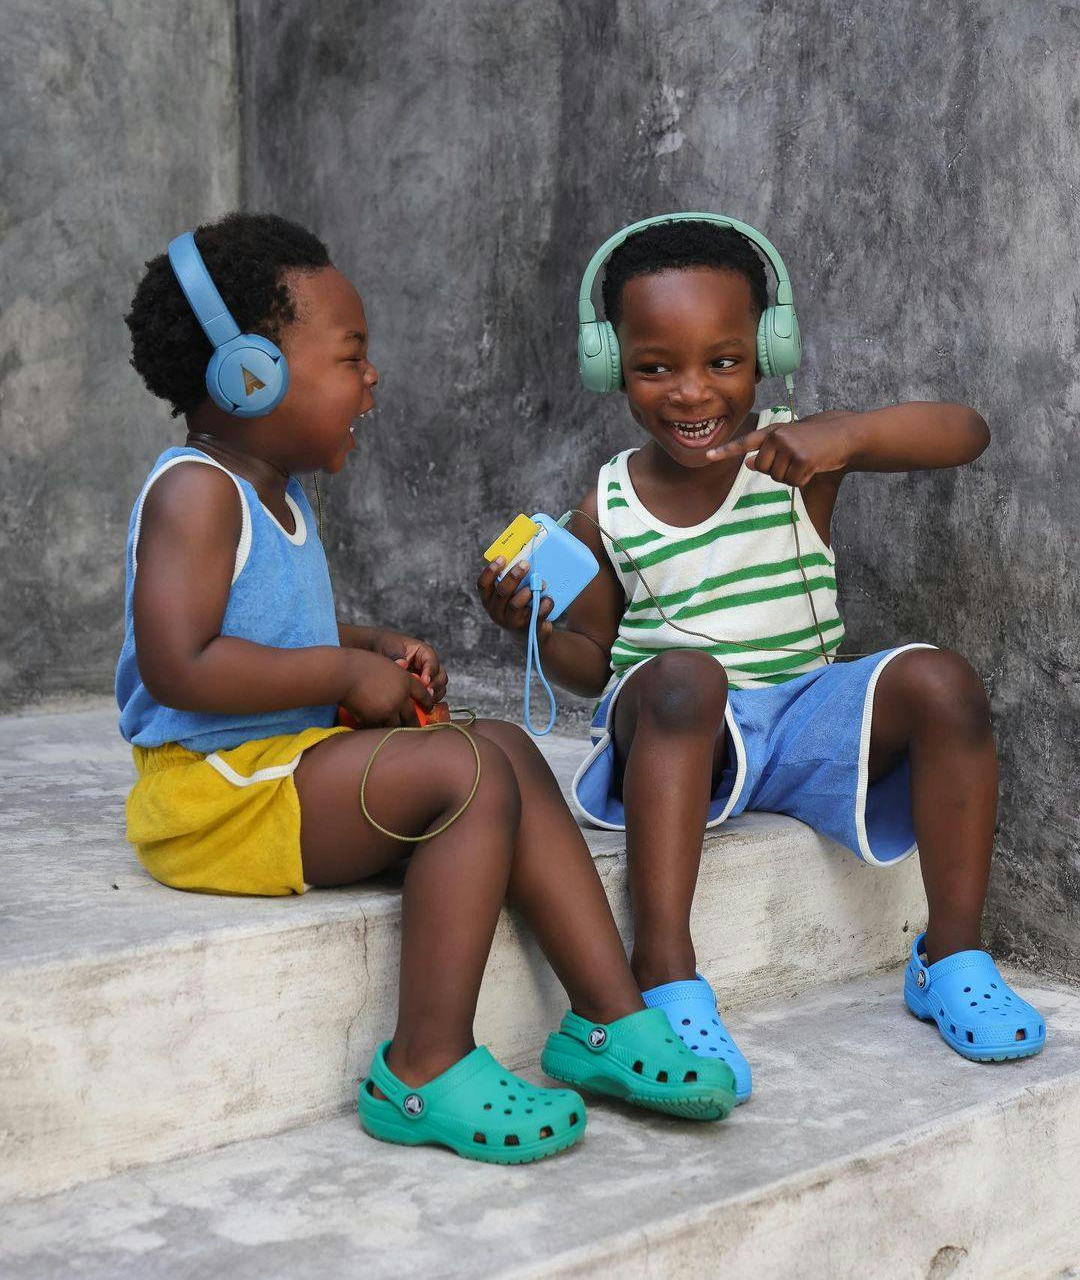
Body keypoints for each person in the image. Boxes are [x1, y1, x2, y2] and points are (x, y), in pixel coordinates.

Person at [116, 212, 737, 1167]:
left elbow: (272, 636)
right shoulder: (196, 492)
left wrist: (366, 647)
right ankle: (421, 1066)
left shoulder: (273, 491)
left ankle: (607, 1021)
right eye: (350, 357)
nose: (371, 380)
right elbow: (180, 664)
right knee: (465, 773)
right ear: (251, 375)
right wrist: (337, 672)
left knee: (505, 749)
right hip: (214, 796)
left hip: (280, 767)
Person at [477, 215, 1046, 1103]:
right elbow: (592, 661)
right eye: (654, 366)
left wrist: (845, 437)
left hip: (805, 715)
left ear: (768, 352)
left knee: (941, 679)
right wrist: (530, 626)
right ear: (610, 364)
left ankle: (951, 955)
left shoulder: (803, 457)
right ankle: (664, 976)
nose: (691, 393)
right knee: (686, 675)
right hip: (684, 733)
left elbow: (965, 431)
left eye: (725, 361)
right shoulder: (610, 501)